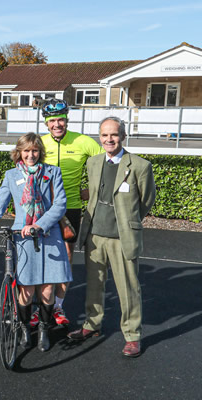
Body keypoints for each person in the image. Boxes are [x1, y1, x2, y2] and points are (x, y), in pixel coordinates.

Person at [0, 133, 71, 352]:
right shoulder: (11, 175)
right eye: (26, 151)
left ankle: (44, 328)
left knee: (46, 291)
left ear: (40, 152)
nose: (31, 155)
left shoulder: (52, 173)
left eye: (35, 150)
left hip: (48, 236)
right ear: (20, 152)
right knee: (26, 291)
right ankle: (25, 327)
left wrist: (39, 225)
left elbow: (60, 205)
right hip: (23, 238)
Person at [68, 116, 156, 358]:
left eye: (114, 134)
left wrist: (129, 222)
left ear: (123, 136)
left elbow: (147, 201)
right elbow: (94, 195)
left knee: (128, 288)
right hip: (95, 235)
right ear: (100, 137)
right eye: (105, 135)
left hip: (121, 237)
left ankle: (132, 335)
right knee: (94, 285)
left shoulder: (139, 165)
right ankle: (91, 324)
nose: (109, 139)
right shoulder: (94, 163)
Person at [36, 98, 102, 328]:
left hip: (70, 208)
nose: (57, 124)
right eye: (52, 120)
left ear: (67, 120)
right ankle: (41, 307)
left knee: (65, 259)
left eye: (60, 120)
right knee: (40, 261)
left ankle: (57, 306)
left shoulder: (83, 141)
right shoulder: (40, 143)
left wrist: (91, 189)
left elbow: (108, 163)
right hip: (42, 210)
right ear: (46, 123)